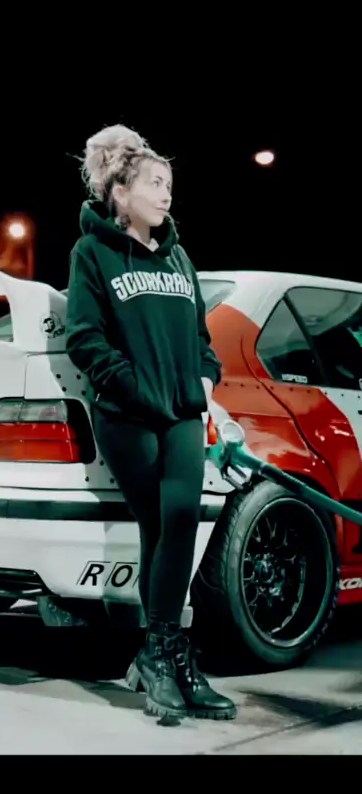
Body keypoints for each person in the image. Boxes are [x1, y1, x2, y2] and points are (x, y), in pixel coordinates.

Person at [65, 124, 236, 722]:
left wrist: (204, 384)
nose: (167, 194)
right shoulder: (92, 254)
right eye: (155, 183)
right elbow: (85, 339)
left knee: (181, 521)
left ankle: (161, 654)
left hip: (183, 414)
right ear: (121, 191)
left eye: (169, 185)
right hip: (127, 417)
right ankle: (164, 656)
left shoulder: (180, 257)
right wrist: (138, 391)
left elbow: (201, 341)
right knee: (159, 527)